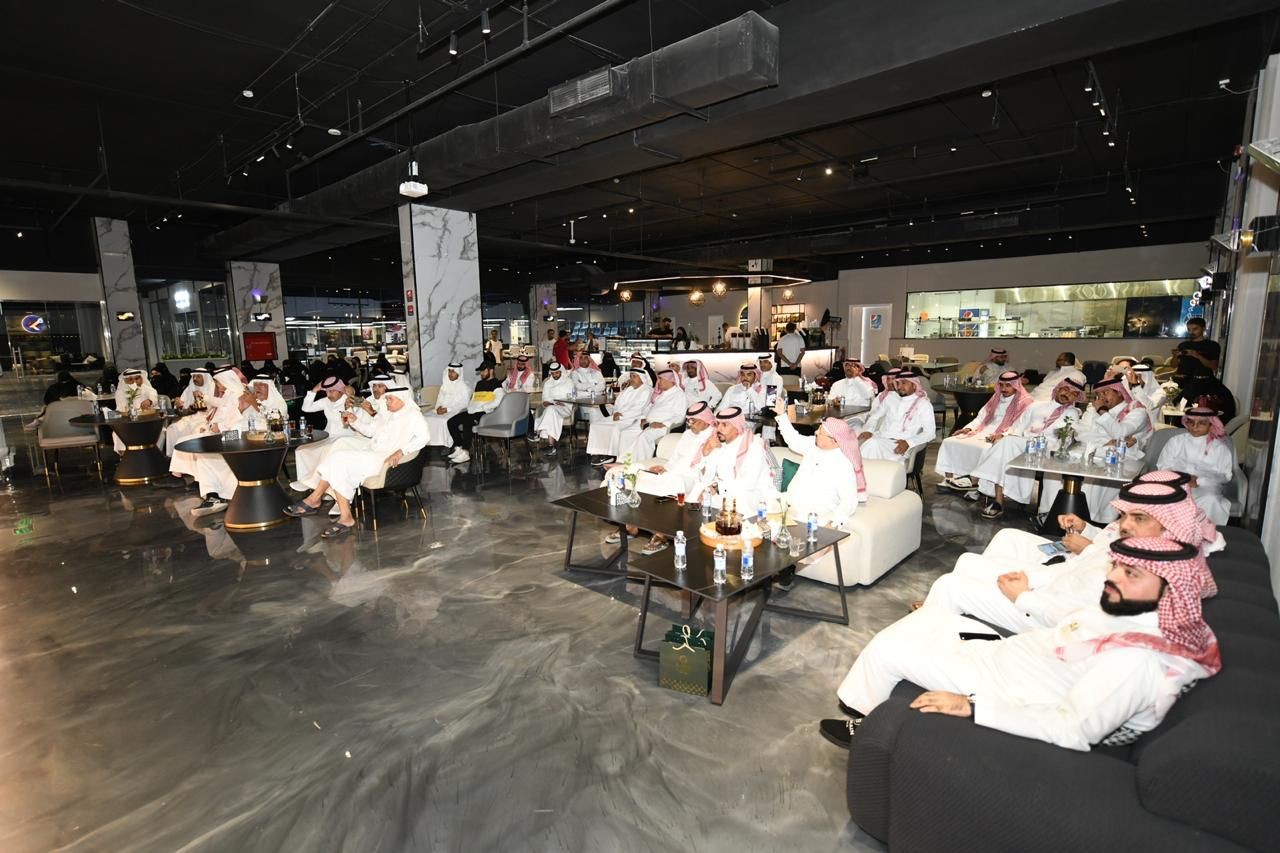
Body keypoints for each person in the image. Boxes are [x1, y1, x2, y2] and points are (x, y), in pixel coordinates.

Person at [820, 536, 1220, 751]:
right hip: (1007, 656)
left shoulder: (1137, 660)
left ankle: (868, 726)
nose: (1113, 577)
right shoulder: (1134, 613)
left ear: (1171, 592)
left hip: (1003, 686)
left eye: (1132, 574)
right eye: (1117, 566)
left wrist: (973, 707)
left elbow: (1072, 729)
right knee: (930, 617)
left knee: (888, 648)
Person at [921, 482, 1219, 635]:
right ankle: (947, 615)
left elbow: (1084, 621)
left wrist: (1025, 595)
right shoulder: (1140, 547)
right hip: (1052, 587)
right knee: (970, 562)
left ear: (1168, 525)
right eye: (1125, 515)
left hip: (1045, 615)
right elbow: (1090, 560)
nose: (1125, 524)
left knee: (950, 584)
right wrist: (1085, 532)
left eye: (1138, 517)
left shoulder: (1145, 573)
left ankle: (934, 625)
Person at [284, 386, 428, 538]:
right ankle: (341, 514)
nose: (387, 402)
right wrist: (354, 421)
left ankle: (317, 501)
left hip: (384, 459)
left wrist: (401, 452)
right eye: (386, 399)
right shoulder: (388, 414)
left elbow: (424, 437)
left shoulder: (413, 415)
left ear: (402, 399)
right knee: (336, 460)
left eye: (390, 399)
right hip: (372, 452)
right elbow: (370, 431)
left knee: (338, 459)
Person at [1037, 376, 1153, 522]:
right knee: (1055, 466)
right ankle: (1049, 513)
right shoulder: (1093, 408)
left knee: (1093, 472)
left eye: (1106, 392)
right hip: (1089, 448)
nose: (1101, 397)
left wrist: (1103, 413)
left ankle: (1086, 519)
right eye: (1099, 393)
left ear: (1119, 392)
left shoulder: (1136, 411)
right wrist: (1105, 441)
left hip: (1122, 455)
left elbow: (1119, 433)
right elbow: (1080, 431)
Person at [971, 378, 1086, 518]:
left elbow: (1067, 440)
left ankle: (975, 481)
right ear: (1058, 388)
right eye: (1065, 389)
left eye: (1073, 393)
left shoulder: (1073, 413)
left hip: (1046, 450)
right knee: (1003, 447)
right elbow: (1018, 427)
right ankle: (998, 501)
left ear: (1076, 398)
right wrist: (1005, 435)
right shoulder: (1036, 406)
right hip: (1023, 443)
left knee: (1006, 445)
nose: (1067, 394)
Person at [937, 371, 1033, 492]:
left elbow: (1019, 426)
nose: (1003, 389)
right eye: (1001, 385)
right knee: (950, 441)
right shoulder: (996, 397)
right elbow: (981, 417)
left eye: (1008, 385)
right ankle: (950, 481)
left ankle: (978, 488)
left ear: (1016, 385)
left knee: (984, 449)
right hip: (983, 430)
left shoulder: (1025, 402)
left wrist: (1002, 435)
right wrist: (968, 428)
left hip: (1004, 436)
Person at [186, 369, 263, 517]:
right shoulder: (230, 394)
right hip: (233, 434)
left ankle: (217, 496)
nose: (217, 385)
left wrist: (221, 428)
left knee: (209, 453)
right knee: (204, 456)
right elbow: (228, 419)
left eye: (218, 382)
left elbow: (240, 421)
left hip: (244, 437)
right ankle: (213, 496)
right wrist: (215, 427)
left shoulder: (241, 395)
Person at [689, 406, 779, 510]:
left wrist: (717, 487)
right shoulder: (720, 444)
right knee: (698, 488)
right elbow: (707, 477)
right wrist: (705, 454)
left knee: (738, 498)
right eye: (718, 424)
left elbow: (749, 483)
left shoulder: (753, 446)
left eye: (724, 425)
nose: (718, 429)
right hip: (725, 492)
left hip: (752, 495)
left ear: (737, 427)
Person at [1156, 406, 1235, 524]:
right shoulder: (1175, 441)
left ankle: (1205, 532)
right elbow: (1163, 466)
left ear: (1211, 425)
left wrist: (1199, 480)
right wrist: (1183, 479)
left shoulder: (1220, 448)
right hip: (1176, 484)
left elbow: (1225, 476)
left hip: (1205, 487)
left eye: (1201, 423)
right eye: (1191, 422)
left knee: (1211, 500)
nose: (1195, 427)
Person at [291, 377, 355, 491]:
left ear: (340, 391)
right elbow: (306, 408)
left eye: (332, 391)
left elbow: (353, 395)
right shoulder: (325, 401)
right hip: (328, 435)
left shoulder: (348, 400)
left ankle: (319, 484)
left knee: (326, 450)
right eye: (326, 391)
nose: (328, 394)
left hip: (345, 436)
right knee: (302, 449)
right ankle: (304, 480)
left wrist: (350, 392)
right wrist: (314, 390)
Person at [857, 372, 935, 462]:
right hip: (881, 438)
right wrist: (869, 430)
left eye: (904, 383)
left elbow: (930, 433)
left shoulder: (924, 404)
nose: (899, 386)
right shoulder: (890, 398)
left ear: (914, 385)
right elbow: (875, 417)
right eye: (897, 383)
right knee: (863, 447)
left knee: (869, 449)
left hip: (900, 445)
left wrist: (909, 443)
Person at [619, 368, 687, 462]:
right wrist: (643, 418)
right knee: (626, 433)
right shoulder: (661, 394)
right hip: (648, 423)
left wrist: (663, 424)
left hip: (663, 427)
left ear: (670, 380)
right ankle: (624, 461)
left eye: (661, 379)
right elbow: (649, 407)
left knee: (644, 437)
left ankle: (641, 463)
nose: (658, 382)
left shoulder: (679, 395)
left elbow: (680, 416)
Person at [586, 368, 649, 465]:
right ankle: (598, 452)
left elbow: (638, 409)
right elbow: (617, 403)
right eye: (631, 376)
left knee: (613, 428)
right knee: (596, 425)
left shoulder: (646, 390)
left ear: (642, 378)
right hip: (617, 417)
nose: (631, 379)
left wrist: (621, 416)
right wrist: (616, 412)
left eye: (634, 376)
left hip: (631, 419)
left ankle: (610, 455)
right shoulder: (628, 389)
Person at [446, 361, 505, 464]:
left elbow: (499, 401)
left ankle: (465, 452)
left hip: (485, 414)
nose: (481, 373)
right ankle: (459, 447)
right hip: (472, 411)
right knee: (451, 422)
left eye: (483, 371)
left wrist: (484, 407)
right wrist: (470, 408)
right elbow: (474, 399)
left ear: (491, 370)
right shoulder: (479, 384)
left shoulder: (497, 384)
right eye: (480, 371)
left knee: (467, 422)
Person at [1173, 317, 1220, 403]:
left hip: (1202, 384)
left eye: (1195, 329)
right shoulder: (1183, 345)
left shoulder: (1212, 346)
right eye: (1189, 329)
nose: (1191, 332)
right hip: (1182, 383)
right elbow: (1174, 365)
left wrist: (1196, 355)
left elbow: (1214, 366)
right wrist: (1175, 356)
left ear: (1203, 328)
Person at [531, 362, 574, 453]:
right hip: (551, 407)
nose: (554, 375)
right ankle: (551, 446)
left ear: (561, 371)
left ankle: (537, 432)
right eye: (553, 373)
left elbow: (571, 397)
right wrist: (547, 403)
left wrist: (562, 402)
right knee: (551, 411)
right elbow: (545, 398)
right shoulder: (548, 383)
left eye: (557, 373)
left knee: (550, 411)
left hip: (565, 408)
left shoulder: (568, 382)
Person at [424, 363, 471, 448]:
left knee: (444, 421)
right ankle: (429, 444)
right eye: (449, 371)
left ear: (459, 373)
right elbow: (439, 399)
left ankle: (447, 444)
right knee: (425, 417)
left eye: (453, 372)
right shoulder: (444, 385)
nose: (450, 374)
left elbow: (464, 404)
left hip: (455, 411)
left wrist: (447, 409)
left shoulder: (464, 387)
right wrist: (438, 407)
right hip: (441, 410)